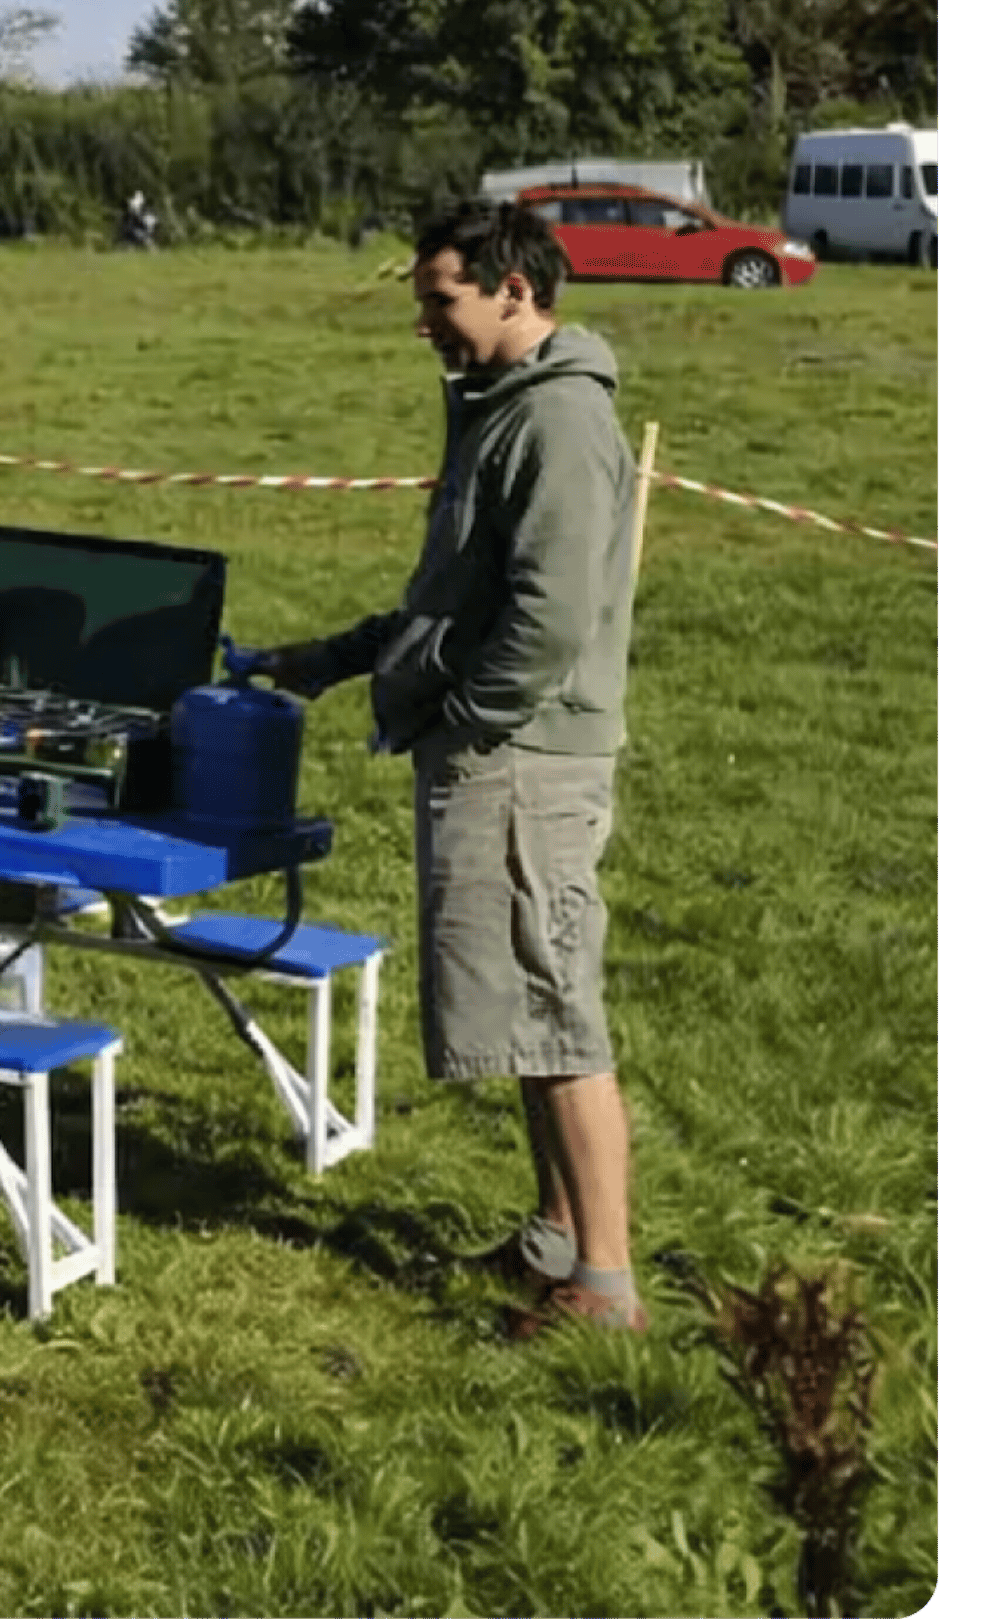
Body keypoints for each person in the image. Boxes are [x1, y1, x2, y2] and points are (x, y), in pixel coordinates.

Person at [237, 198, 646, 1337]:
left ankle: (604, 1287)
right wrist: (322, 661)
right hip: (500, 751)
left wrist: (467, 717)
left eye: (440, 299)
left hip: (525, 760)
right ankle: (555, 1235)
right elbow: (448, 600)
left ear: (515, 289)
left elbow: (548, 615)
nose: (425, 323)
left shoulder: (556, 423)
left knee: (556, 1009)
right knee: (525, 1002)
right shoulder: (497, 409)